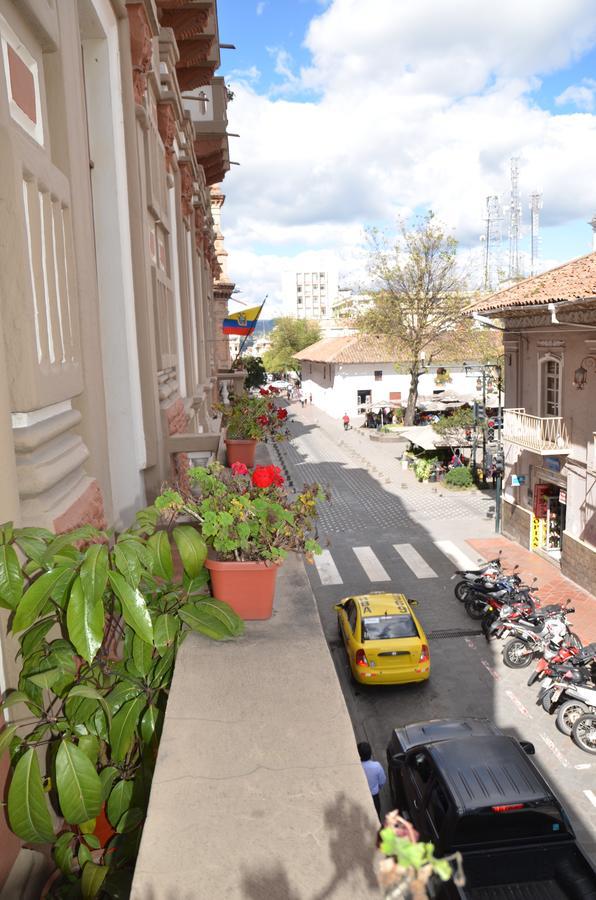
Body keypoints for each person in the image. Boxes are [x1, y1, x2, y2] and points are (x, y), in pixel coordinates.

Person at [357, 741, 386, 821]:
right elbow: (382, 781)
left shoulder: (357, 768)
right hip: (374, 797)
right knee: (376, 818)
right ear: (370, 753)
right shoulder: (376, 766)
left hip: (361, 797)